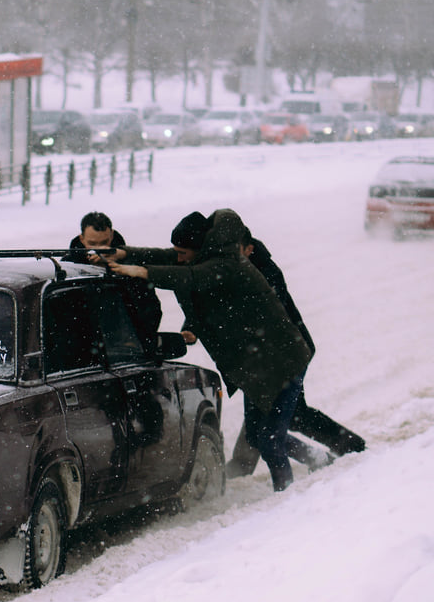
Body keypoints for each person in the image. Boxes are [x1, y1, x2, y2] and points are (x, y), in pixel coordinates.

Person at [104, 210, 312, 491]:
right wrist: (123, 253)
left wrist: (141, 271)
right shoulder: (204, 256)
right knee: (259, 434)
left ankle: (287, 495)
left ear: (199, 250)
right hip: (257, 363)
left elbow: (190, 276)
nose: (177, 257)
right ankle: (316, 458)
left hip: (283, 361)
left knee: (269, 439)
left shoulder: (229, 265)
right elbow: (167, 257)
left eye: (182, 252)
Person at [225, 224, 366, 477]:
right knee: (271, 417)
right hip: (265, 354)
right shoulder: (238, 267)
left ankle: (348, 447)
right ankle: (245, 463)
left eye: (238, 252)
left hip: (287, 353)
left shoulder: (264, 271)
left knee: (289, 416)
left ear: (250, 248)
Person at [64, 211, 162, 351]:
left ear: (111, 236)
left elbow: (151, 311)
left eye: (104, 243)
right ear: (82, 239)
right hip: (81, 350)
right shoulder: (68, 268)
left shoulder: (131, 266)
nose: (99, 250)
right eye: (92, 244)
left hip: (126, 349)